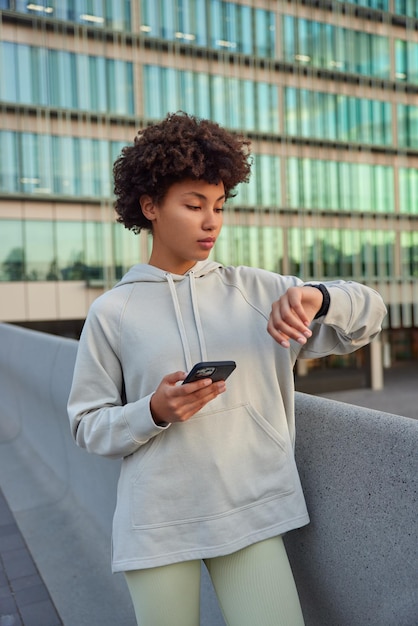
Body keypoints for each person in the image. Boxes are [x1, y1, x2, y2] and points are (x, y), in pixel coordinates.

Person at [67, 111, 387, 626]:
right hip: (156, 523)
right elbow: (86, 425)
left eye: (218, 205)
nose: (211, 220)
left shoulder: (258, 292)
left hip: (251, 509)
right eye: (193, 205)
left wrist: (317, 298)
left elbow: (371, 314)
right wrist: (153, 409)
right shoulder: (112, 312)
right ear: (149, 206)